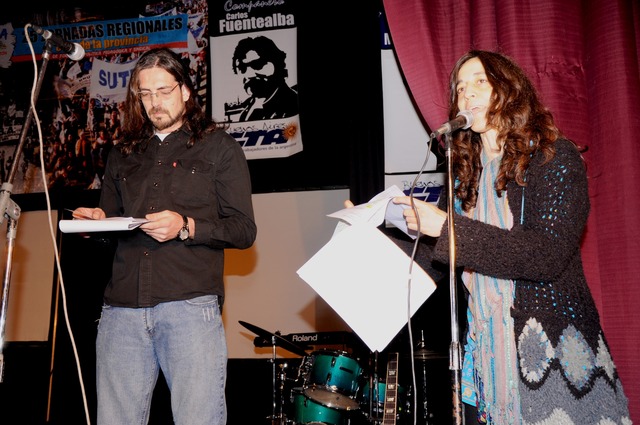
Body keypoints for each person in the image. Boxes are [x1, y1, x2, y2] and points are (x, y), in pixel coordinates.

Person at [389, 51, 631, 424]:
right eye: (460, 88)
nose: (467, 93)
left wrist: (449, 229)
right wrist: (372, 237)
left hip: (553, 356)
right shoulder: (464, 178)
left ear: (509, 90)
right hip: (484, 359)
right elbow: (433, 258)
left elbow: (546, 255)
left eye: (479, 82)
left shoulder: (554, 158)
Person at [72, 47, 257, 425]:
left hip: (189, 306)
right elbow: (111, 226)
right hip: (121, 310)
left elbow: (243, 229)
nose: (155, 102)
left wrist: (186, 226)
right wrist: (95, 223)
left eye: (164, 91)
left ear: (185, 90)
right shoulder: (122, 153)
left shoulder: (219, 147)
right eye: (146, 94)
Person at [229, 35, 299, 122]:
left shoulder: (292, 104)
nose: (249, 75)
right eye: (242, 68)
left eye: (257, 65)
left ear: (277, 63)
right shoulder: (249, 104)